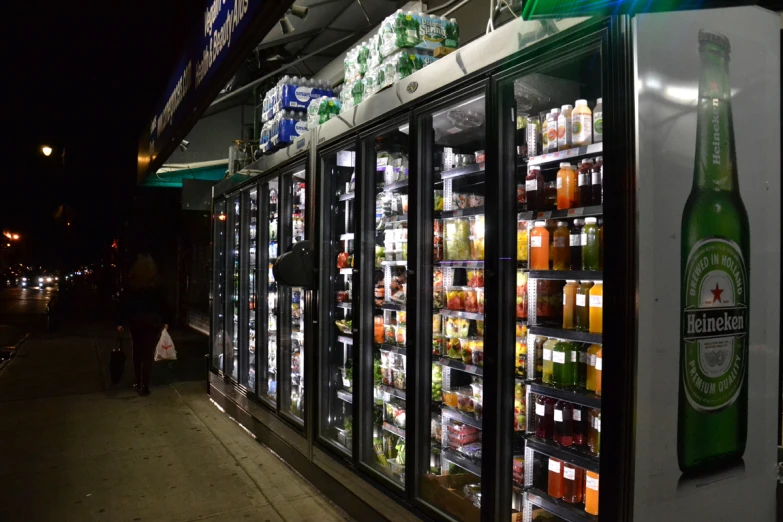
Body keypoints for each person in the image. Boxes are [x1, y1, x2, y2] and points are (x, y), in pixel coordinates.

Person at [116, 254, 168, 396]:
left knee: (137, 351)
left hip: (135, 319)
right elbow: (162, 303)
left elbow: (124, 303)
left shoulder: (132, 282)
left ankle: (137, 380)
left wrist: (120, 321)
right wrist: (165, 320)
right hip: (152, 320)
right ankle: (145, 384)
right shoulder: (155, 282)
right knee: (148, 353)